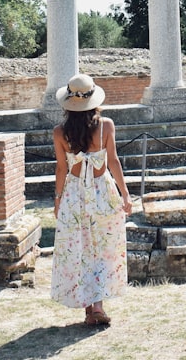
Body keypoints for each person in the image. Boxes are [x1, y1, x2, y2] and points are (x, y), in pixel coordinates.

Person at [50, 73, 133, 326]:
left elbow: (61, 169)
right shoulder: (106, 125)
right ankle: (98, 306)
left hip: (75, 195)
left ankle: (88, 306)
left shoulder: (59, 132)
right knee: (103, 247)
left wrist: (57, 199)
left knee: (79, 247)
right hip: (102, 191)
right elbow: (114, 161)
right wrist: (125, 194)